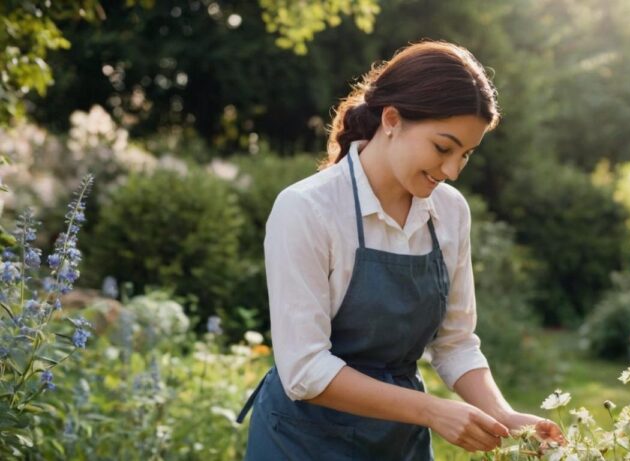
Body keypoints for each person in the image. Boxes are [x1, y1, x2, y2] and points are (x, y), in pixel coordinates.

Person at [236, 40, 564, 460]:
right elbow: (304, 369)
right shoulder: (307, 209)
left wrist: (502, 414)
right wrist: (432, 410)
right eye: (442, 148)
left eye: (466, 154)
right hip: (301, 442)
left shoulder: (449, 212)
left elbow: (455, 342)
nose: (451, 171)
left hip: (396, 442)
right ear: (391, 119)